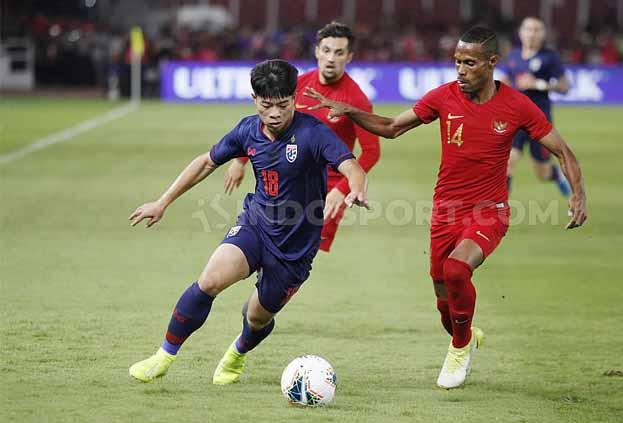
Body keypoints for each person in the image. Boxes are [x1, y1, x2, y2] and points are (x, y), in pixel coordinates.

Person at [305, 27, 587, 389]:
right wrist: (349, 110)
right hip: (445, 213)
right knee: (444, 303)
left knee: (456, 270)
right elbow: (391, 128)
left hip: (490, 210)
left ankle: (458, 348)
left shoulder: (516, 105)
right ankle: (465, 337)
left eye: (470, 63)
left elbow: (562, 150)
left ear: (492, 63)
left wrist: (577, 193)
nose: (461, 70)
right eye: (457, 62)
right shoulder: (443, 97)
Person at [127, 59, 369, 385]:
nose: (274, 113)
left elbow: (353, 167)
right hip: (256, 225)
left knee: (256, 316)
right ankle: (163, 357)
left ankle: (237, 353)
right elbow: (206, 162)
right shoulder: (246, 130)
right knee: (210, 280)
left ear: (294, 99)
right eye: (267, 105)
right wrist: (163, 201)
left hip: (295, 248)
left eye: (283, 105)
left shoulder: (313, 133)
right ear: (255, 99)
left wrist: (353, 189)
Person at [224, 22, 380, 252]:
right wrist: (240, 160)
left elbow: (371, 152)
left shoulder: (355, 100)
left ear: (349, 57)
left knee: (296, 260)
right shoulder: (298, 86)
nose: (330, 58)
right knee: (272, 253)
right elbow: (268, 119)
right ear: (317, 51)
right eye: (326, 50)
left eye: (339, 53)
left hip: (326, 194)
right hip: (286, 180)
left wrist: (342, 189)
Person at [499, 17, 571, 196]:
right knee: (508, 163)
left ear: (543, 34)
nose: (532, 34)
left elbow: (565, 87)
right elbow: (506, 80)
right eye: (528, 29)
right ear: (521, 32)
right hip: (514, 118)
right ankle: (499, 210)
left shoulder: (550, 57)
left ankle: (556, 176)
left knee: (543, 172)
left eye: (536, 30)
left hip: (539, 121)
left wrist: (540, 84)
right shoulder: (513, 56)